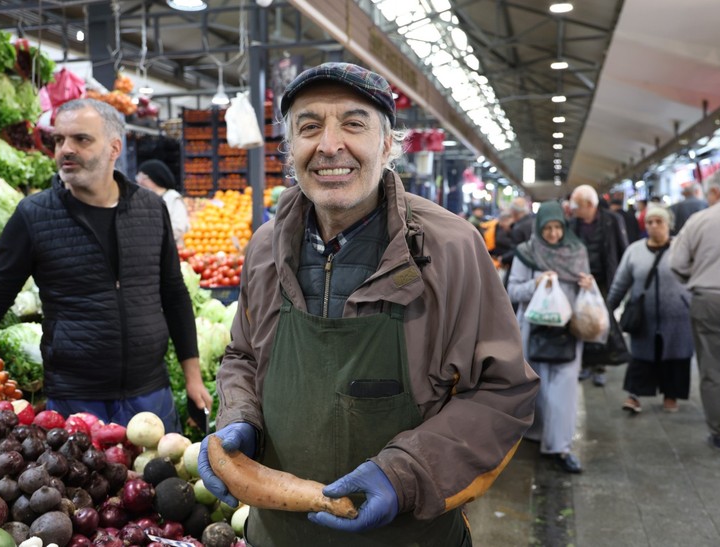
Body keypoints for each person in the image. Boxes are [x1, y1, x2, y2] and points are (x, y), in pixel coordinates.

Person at [196, 62, 539, 545]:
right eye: (309, 126)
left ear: (387, 144)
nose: (329, 145)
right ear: (290, 149)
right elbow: (243, 357)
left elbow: (504, 392)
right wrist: (239, 417)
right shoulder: (265, 249)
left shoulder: (450, 250)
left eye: (353, 124)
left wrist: (407, 472)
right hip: (279, 534)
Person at [0, 98, 212, 432]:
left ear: (114, 147)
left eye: (81, 139)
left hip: (151, 393)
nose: (65, 149)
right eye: (58, 140)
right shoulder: (33, 216)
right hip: (76, 399)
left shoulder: (151, 209)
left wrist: (193, 377)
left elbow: (174, 294)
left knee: (159, 482)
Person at [508, 201, 594, 474]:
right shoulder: (526, 253)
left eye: (558, 227)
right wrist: (535, 284)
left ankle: (560, 447)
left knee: (564, 391)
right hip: (533, 330)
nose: (554, 234)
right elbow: (512, 291)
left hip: (567, 331)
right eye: (548, 228)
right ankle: (535, 436)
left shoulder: (577, 252)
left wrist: (588, 286)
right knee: (537, 388)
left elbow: (584, 290)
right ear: (539, 226)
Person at [607, 206, 693, 414]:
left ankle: (671, 395)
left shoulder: (681, 249)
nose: (654, 226)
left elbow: (695, 277)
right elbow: (620, 282)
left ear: (668, 225)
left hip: (678, 318)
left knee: (675, 356)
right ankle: (634, 396)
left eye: (659, 222)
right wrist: (609, 308)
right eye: (649, 222)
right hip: (643, 317)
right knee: (641, 356)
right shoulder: (634, 251)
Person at [669, 169, 720, 450]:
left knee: (714, 369)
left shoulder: (700, 220)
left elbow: (677, 263)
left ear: (716, 192)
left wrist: (695, 278)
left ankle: (719, 432)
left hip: (708, 300)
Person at [569, 184, 629, 386]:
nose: (573, 209)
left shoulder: (612, 220)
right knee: (583, 320)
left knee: (602, 322)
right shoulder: (573, 224)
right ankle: (585, 363)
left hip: (604, 280)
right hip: (580, 280)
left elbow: (623, 249)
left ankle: (600, 365)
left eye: (576, 205)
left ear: (588, 204)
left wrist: (623, 279)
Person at [136, 159, 190, 243]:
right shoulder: (142, 198)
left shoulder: (172, 198)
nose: (139, 181)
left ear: (153, 178)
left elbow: (178, 228)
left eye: (142, 177)